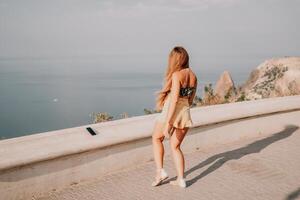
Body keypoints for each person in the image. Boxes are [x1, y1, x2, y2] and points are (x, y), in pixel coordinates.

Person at [151, 46, 198, 188]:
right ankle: (181, 180)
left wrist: (169, 123)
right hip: (185, 112)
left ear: (176, 60)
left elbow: (174, 100)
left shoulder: (177, 75)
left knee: (156, 138)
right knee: (176, 147)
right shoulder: (194, 76)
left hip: (171, 112)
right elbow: (190, 99)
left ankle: (160, 172)